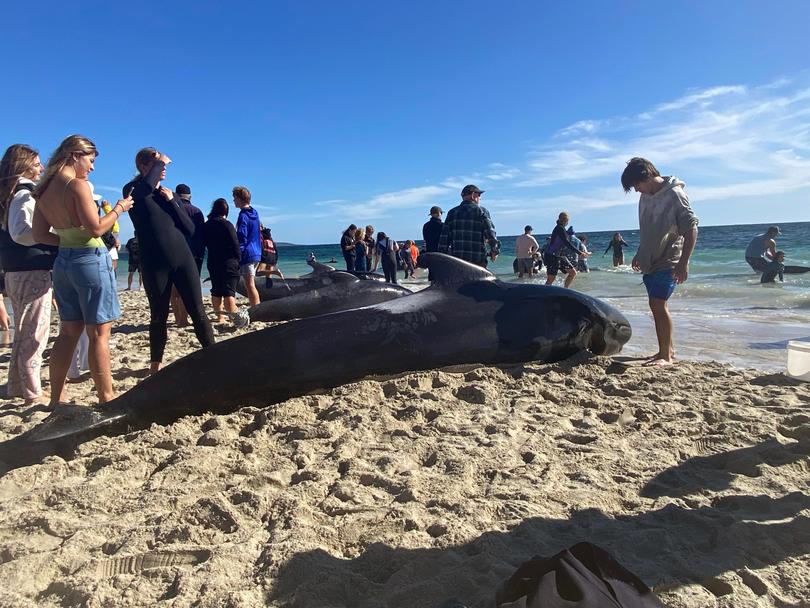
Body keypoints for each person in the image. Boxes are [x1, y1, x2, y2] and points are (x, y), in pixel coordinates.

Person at [32, 135, 133, 404]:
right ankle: (106, 396)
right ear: (76, 155)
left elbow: (39, 234)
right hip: (90, 259)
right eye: (90, 161)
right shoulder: (77, 186)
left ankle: (56, 397)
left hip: (64, 262)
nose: (91, 167)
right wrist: (120, 208)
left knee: (67, 332)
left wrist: (67, 240)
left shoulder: (44, 188)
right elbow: (97, 228)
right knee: (99, 333)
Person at [124, 147, 214, 375]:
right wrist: (157, 165)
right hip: (154, 263)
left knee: (198, 311)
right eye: (158, 165)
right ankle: (155, 365)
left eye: (163, 165)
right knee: (158, 315)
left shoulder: (166, 194)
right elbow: (142, 194)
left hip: (182, 258)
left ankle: (214, 356)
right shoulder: (133, 190)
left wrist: (173, 201)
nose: (163, 168)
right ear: (144, 166)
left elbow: (190, 228)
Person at [621, 157, 698, 367]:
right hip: (650, 260)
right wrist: (639, 252)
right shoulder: (646, 197)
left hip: (669, 259)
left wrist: (684, 263)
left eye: (636, 185)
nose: (636, 190)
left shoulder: (675, 194)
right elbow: (648, 229)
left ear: (646, 176)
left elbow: (691, 228)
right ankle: (667, 350)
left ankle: (666, 356)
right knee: (655, 305)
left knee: (658, 304)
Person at [0, 144, 57, 405]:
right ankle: (32, 392)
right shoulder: (24, 193)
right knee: (35, 333)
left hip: (14, 269)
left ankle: (15, 386)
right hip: (31, 268)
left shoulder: (8, 193)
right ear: (23, 166)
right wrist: (54, 239)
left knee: (24, 331)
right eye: (36, 164)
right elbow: (21, 232)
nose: (42, 169)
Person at [438, 185, 500, 267]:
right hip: (477, 261)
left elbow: (444, 238)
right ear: (473, 195)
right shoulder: (481, 211)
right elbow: (490, 233)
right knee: (478, 280)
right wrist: (494, 251)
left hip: (457, 261)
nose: (480, 198)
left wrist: (442, 257)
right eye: (479, 195)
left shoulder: (452, 212)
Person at [172, 184, 205, 326]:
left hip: (173, 252)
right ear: (190, 197)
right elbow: (201, 235)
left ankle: (178, 318)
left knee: (174, 288)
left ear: (176, 195)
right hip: (193, 253)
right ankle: (184, 319)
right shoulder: (197, 211)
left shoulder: (171, 209)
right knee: (188, 288)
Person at [203, 198, 241, 323]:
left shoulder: (207, 225)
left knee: (217, 290)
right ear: (226, 211)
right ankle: (233, 316)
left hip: (213, 261)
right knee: (229, 292)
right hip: (229, 261)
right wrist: (238, 259)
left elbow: (204, 243)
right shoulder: (227, 225)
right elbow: (235, 244)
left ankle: (220, 317)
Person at [233, 186, 262, 306]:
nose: (234, 201)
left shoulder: (243, 216)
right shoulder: (254, 212)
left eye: (235, 198)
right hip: (257, 252)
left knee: (249, 285)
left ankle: (256, 308)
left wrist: (238, 253)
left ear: (240, 199)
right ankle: (256, 307)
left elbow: (241, 236)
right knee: (250, 283)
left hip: (247, 253)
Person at [544, 212, 587, 288]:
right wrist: (579, 252)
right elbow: (566, 243)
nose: (567, 222)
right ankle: (544, 293)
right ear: (565, 220)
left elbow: (562, 243)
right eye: (567, 221)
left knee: (573, 272)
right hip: (551, 256)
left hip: (559, 256)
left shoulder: (562, 228)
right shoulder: (559, 228)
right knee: (551, 278)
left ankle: (565, 290)